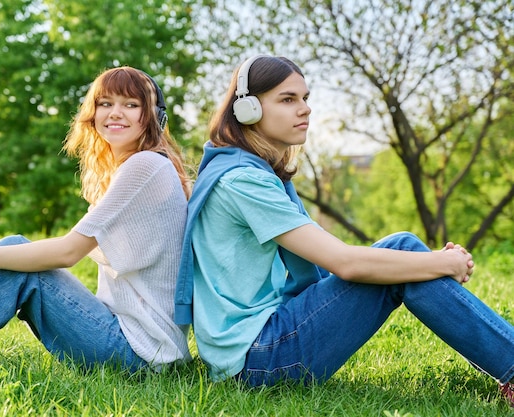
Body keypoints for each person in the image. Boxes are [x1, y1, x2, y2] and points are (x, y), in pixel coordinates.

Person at [174, 55, 514, 405]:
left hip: (257, 348)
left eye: (305, 99)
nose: (304, 109)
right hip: (258, 359)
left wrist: (433, 262)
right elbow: (345, 263)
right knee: (404, 251)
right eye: (288, 99)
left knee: (400, 249)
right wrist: (445, 264)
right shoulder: (243, 181)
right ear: (247, 109)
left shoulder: (246, 169)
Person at [0, 66, 192, 373]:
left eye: (131, 105)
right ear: (93, 112)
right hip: (143, 345)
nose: (116, 113)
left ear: (155, 117)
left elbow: (67, 252)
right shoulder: (141, 167)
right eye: (105, 103)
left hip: (140, 353)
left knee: (21, 260)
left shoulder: (144, 167)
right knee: (14, 254)